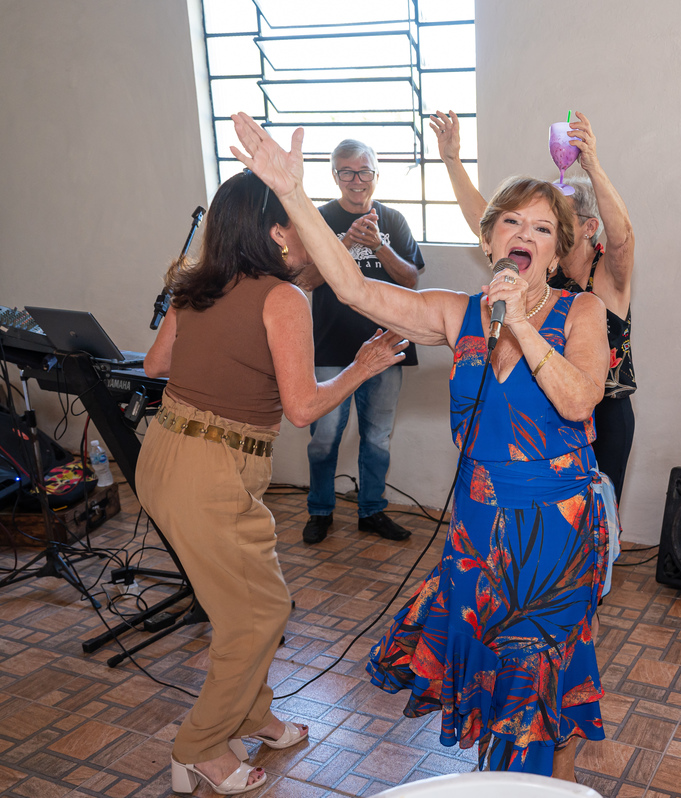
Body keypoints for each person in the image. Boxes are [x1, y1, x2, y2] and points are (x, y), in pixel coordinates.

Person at [230, 113, 613, 781]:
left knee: (540, 687)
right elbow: (353, 288)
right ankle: (510, 786)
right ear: (489, 238)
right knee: (496, 678)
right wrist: (292, 193)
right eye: (512, 222)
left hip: (554, 531)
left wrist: (521, 325)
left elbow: (579, 400)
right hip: (476, 526)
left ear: (557, 251)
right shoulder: (456, 312)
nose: (524, 235)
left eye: (542, 228)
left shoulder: (582, 313)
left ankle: (545, 788)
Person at [139, 169, 406, 795]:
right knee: (253, 618)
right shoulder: (283, 300)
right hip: (212, 471)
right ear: (278, 232)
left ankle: (251, 713)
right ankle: (200, 746)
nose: (310, 227)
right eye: (299, 216)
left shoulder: (197, 285)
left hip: (167, 455)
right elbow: (303, 407)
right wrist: (362, 367)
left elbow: (155, 364)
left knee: (261, 603)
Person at [429, 110, 637, 502]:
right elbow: (486, 221)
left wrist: (592, 164)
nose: (538, 225)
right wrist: (452, 160)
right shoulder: (536, 272)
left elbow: (623, 236)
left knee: (595, 511)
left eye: (554, 217)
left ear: (589, 227)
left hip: (603, 413)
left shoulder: (606, 275)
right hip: (539, 407)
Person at [302, 139, 424, 546]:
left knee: (377, 437)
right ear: (334, 175)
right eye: (347, 172)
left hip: (386, 345)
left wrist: (377, 245)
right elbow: (305, 281)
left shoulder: (394, 220)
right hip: (330, 348)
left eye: (364, 171)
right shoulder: (319, 219)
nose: (357, 180)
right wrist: (345, 243)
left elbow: (411, 279)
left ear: (376, 174)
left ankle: (371, 510)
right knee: (324, 438)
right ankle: (320, 510)